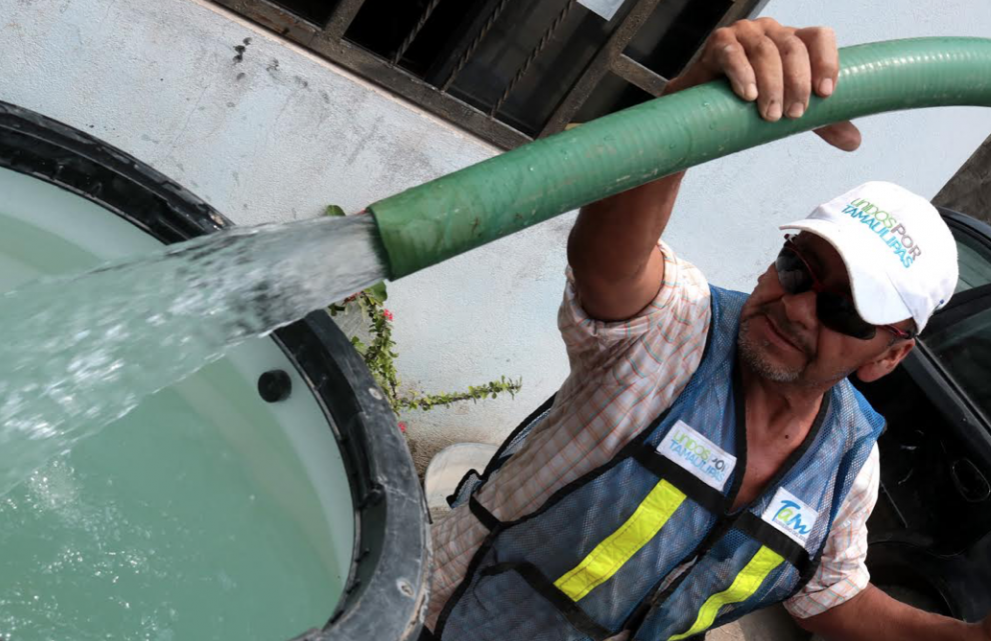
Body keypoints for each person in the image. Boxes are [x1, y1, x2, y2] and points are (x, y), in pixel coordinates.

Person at [423, 17, 991, 641]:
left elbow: (832, 595)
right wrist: (691, 100)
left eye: (847, 310)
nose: (798, 307)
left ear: (888, 356)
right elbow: (608, 265)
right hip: (435, 619)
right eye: (798, 268)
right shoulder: (679, 329)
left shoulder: (849, 465)